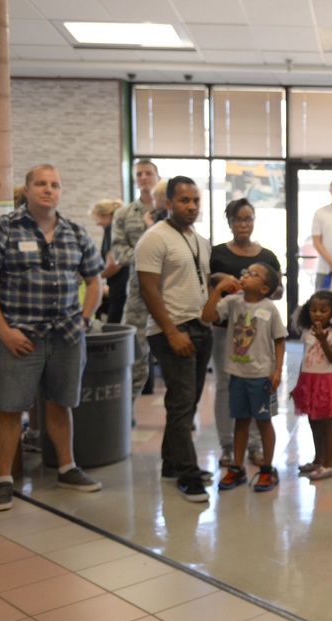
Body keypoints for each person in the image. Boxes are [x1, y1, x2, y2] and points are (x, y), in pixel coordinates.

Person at [0, 164, 104, 511]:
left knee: (60, 403)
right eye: (42, 184)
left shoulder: (75, 232)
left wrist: (84, 319)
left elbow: (95, 281)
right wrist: (4, 331)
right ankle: (3, 479)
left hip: (67, 336)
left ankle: (67, 468)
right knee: (9, 407)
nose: (49, 190)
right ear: (27, 190)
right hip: (20, 337)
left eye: (55, 185)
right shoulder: (3, 229)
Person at [136, 175, 214, 503]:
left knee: (187, 402)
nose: (191, 206)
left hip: (200, 327)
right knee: (182, 404)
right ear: (168, 203)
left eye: (195, 200)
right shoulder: (154, 239)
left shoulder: (199, 239)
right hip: (172, 329)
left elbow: (201, 281)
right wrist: (171, 331)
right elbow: (148, 289)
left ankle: (171, 464)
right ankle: (187, 474)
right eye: (184, 200)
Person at [209, 198, 283, 468]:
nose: (243, 224)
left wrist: (259, 288)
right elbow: (208, 289)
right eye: (237, 219)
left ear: (254, 220)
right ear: (229, 222)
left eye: (247, 218)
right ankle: (227, 446)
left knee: (256, 384)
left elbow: (278, 290)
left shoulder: (267, 256)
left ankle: (253, 445)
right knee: (225, 386)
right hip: (224, 332)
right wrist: (220, 282)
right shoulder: (216, 253)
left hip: (257, 334)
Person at [201, 263, 286, 493]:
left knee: (264, 422)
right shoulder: (233, 302)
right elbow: (207, 316)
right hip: (238, 374)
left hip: (261, 376)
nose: (245, 275)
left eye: (253, 274)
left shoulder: (269, 308)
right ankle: (237, 468)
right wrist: (218, 289)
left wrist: (277, 370)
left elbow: (280, 340)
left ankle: (267, 468)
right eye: (245, 272)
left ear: (264, 288)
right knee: (240, 422)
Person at [291, 291, 332, 481]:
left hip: (326, 383)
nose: (317, 314)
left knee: (327, 425)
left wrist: (323, 340)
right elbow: (305, 358)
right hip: (308, 381)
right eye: (313, 309)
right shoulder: (307, 331)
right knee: (314, 423)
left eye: (323, 310)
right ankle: (318, 460)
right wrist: (298, 384)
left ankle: (329, 465)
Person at [111, 160, 160, 405]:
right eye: (139, 174)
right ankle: (126, 410)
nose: (143, 177)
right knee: (134, 354)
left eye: (148, 173)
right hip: (138, 292)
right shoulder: (124, 214)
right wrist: (147, 257)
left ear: (158, 177)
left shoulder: (170, 211)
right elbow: (119, 252)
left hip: (171, 291)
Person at [91, 198, 127, 324]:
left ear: (106, 216)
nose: (97, 223)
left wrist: (94, 278)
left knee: (114, 327)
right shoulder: (122, 229)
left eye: (97, 219)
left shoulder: (111, 229)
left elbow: (113, 265)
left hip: (119, 288)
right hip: (125, 286)